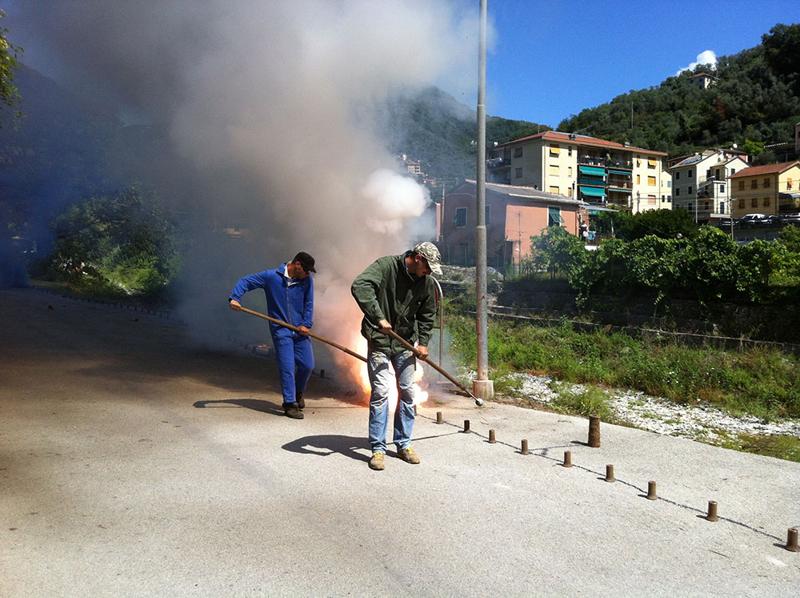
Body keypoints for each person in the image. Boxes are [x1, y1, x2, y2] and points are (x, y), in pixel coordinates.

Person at [351, 242, 440, 471]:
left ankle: (403, 444)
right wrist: (378, 317)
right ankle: (378, 449)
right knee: (381, 392)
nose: (428, 272)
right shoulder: (386, 266)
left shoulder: (426, 283)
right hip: (379, 341)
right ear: (418, 258)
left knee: (408, 392)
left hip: (405, 344)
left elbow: (427, 314)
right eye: (427, 267)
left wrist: (423, 343)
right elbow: (360, 285)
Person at [228, 252, 316, 420]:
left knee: (307, 365)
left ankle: (298, 393)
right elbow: (246, 281)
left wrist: (306, 324)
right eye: (306, 270)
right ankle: (289, 404)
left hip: (300, 330)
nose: (308, 274)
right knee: (287, 367)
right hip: (281, 330)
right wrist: (235, 298)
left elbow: (309, 303)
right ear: (297, 264)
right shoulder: (271, 277)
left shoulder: (307, 280)